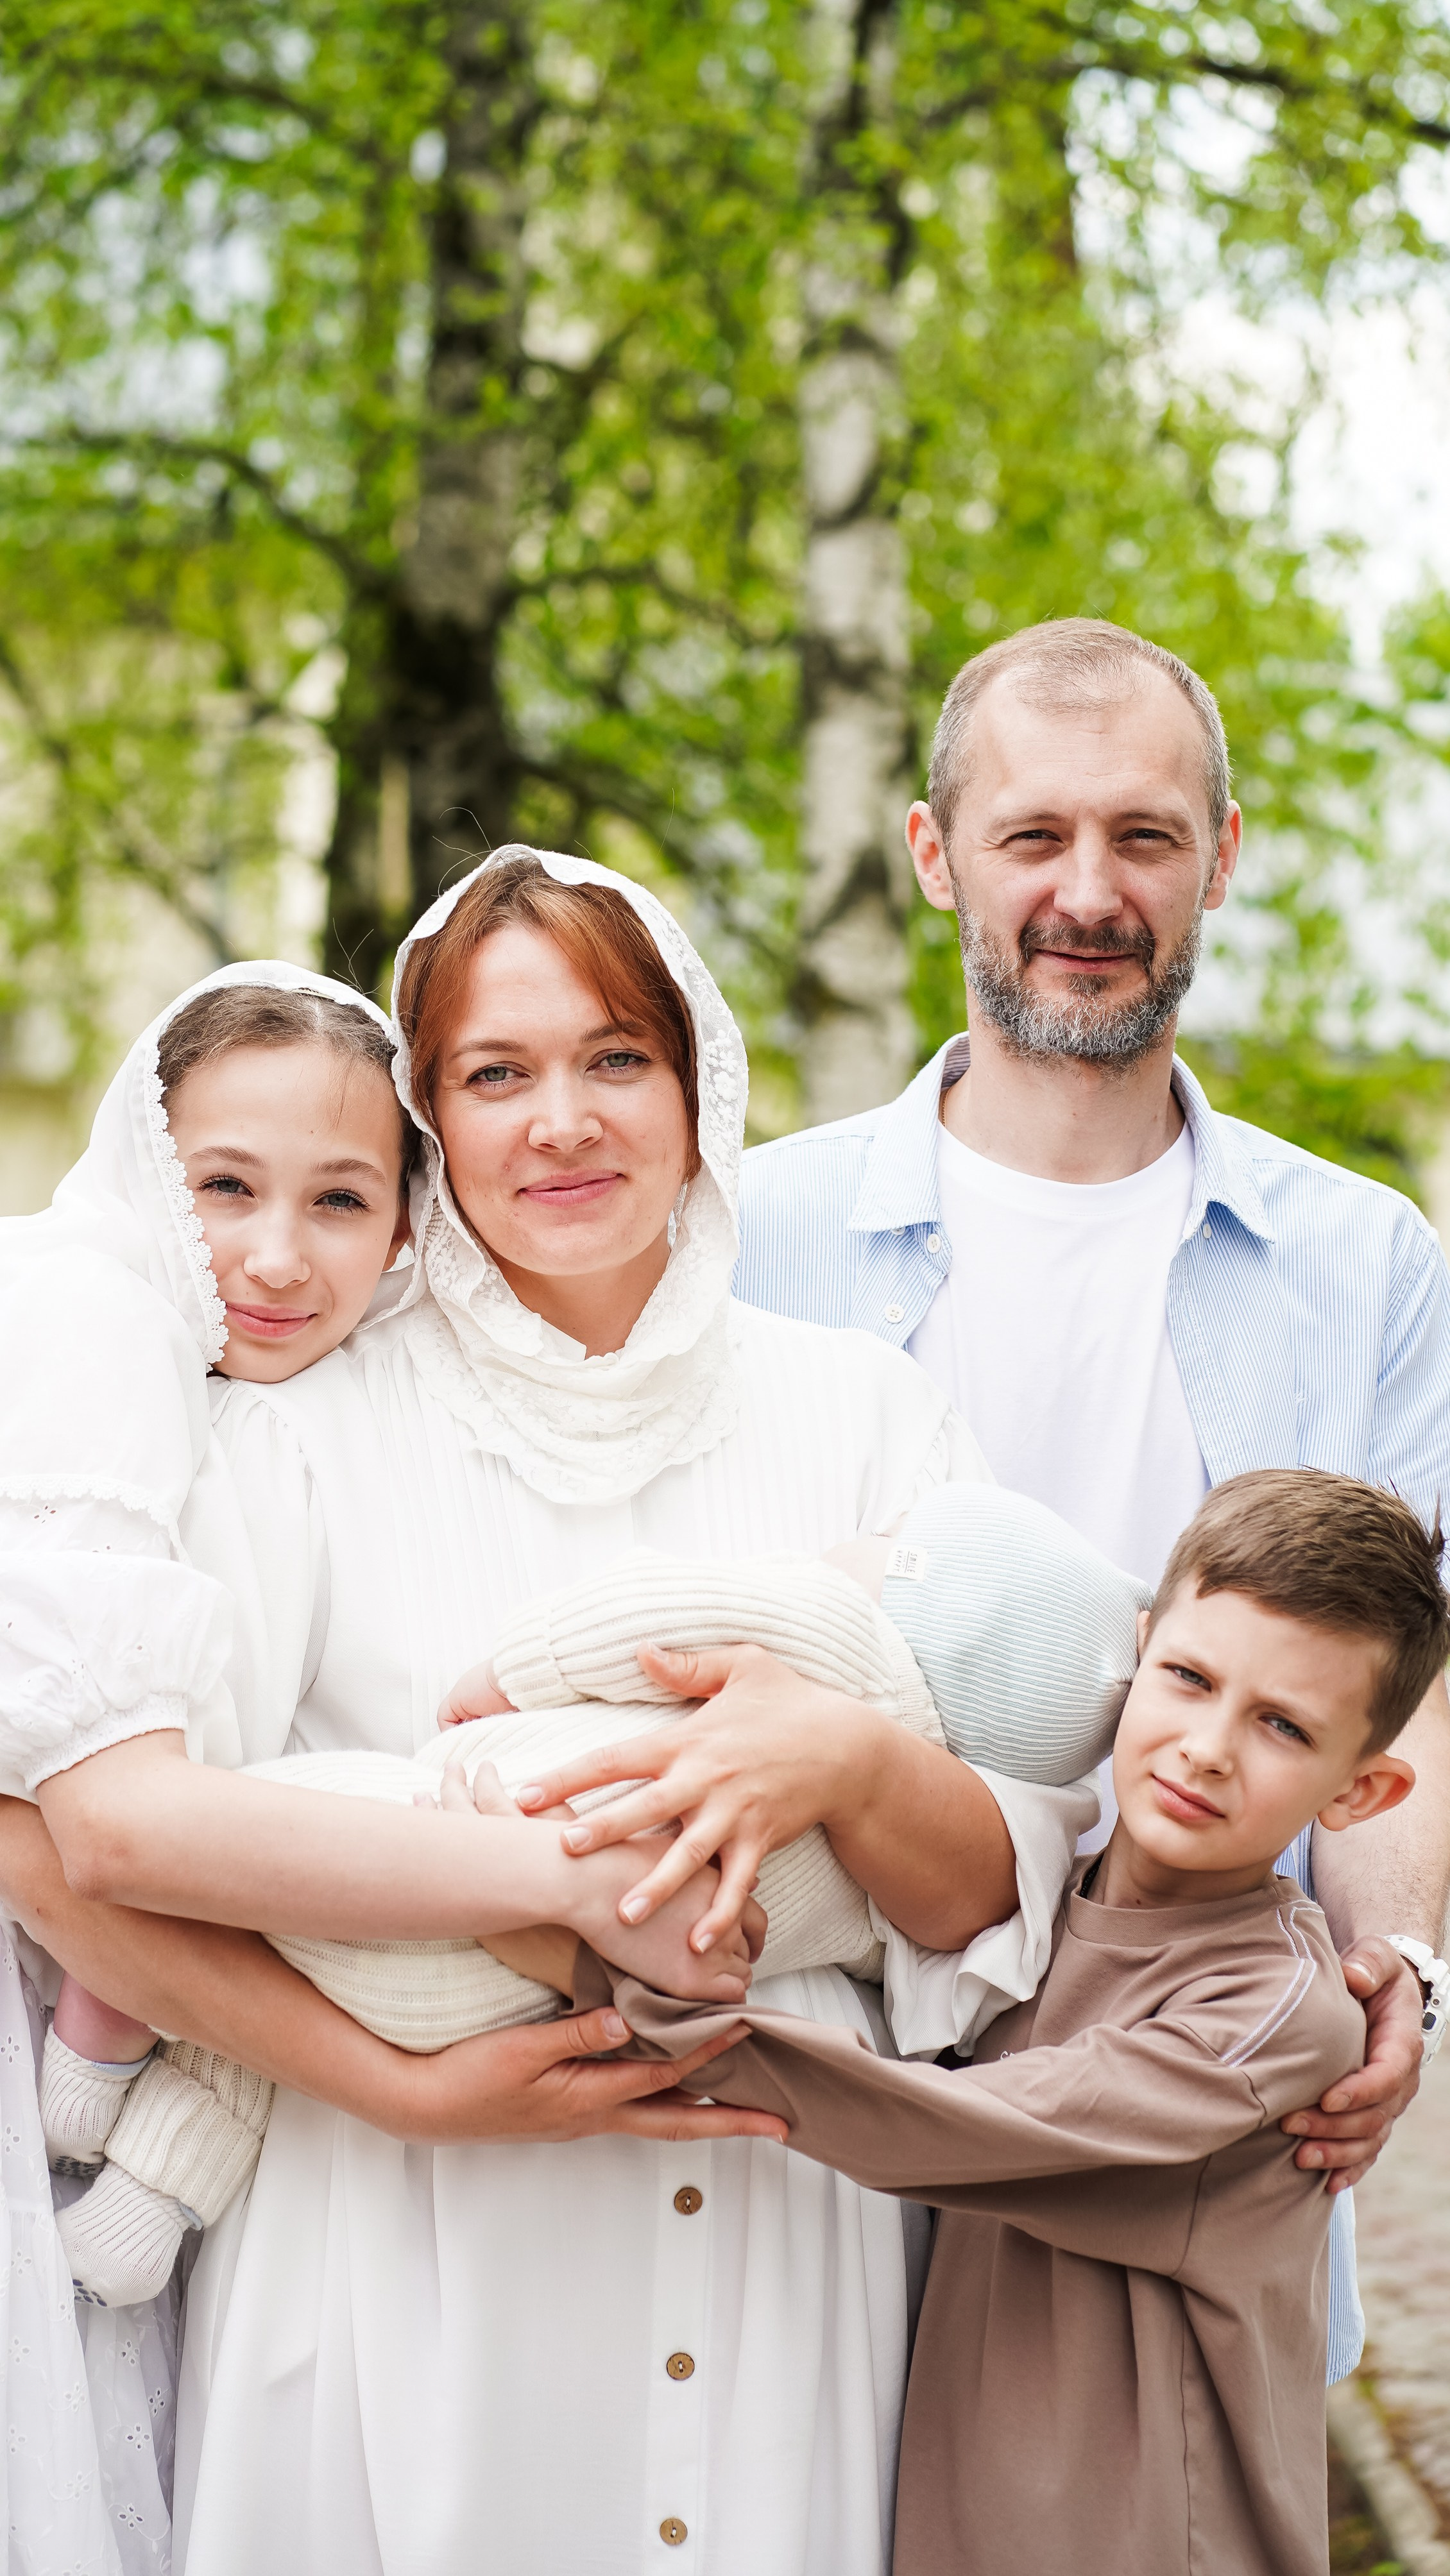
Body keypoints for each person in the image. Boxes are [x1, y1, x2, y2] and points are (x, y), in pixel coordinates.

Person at [9, 851, 1084, 2576]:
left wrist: (848, 1759)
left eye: (614, 1058)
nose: (561, 1122)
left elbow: (991, 1910)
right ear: (431, 1120)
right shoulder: (294, 1435)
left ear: (696, 1083)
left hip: (773, 2254)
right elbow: (108, 1864)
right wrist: (408, 2090)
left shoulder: (869, 1416)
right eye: (496, 1076)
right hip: (387, 2247)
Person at [730, 614, 1450, 2378]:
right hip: (817, 2074)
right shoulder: (748, 1234)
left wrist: (1400, 1977)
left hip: (1180, 2107)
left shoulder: (1362, 1262)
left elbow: (1403, 1696)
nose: (1087, 890)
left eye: (1140, 836)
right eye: (1030, 836)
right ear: (931, 856)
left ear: (1217, 856)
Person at [0, 961, 780, 2571]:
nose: (276, 1258)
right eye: (223, 1185)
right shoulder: (84, 1323)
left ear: (412, 1228)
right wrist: (575, 1898)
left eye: (343, 1201)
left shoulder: (249, 1413)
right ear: (147, 1165)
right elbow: (92, 1831)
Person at [598, 1468, 1450, 2576]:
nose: (1207, 1747)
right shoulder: (1042, 1901)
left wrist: (637, 1989)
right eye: (1188, 1678)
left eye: (1282, 1726)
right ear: (1136, 1656)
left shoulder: (1277, 2020)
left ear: (1361, 1793)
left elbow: (944, 2126)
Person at [69, 1478, 1146, 2308]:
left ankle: (112, 2022)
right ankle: (145, 2199)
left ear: (924, 1584)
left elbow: (642, 1617)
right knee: (329, 1978)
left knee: (280, 1836)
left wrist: (513, 1676)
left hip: (429, 1853)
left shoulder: (836, 1633)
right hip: (509, 2019)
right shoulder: (889, 1854)